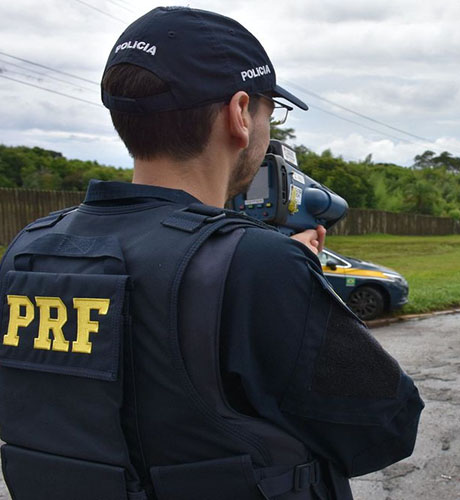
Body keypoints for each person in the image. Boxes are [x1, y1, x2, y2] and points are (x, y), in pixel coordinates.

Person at [0, 7, 423, 500]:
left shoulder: (31, 248)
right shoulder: (255, 263)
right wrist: (288, 272)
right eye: (271, 112)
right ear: (239, 113)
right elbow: (387, 426)